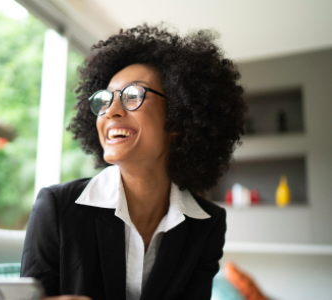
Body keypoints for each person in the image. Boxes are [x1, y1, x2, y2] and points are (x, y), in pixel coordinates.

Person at [20, 24, 246, 300]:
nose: (111, 112)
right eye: (105, 100)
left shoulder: (207, 225)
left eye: (132, 96)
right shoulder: (55, 209)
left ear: (177, 118)